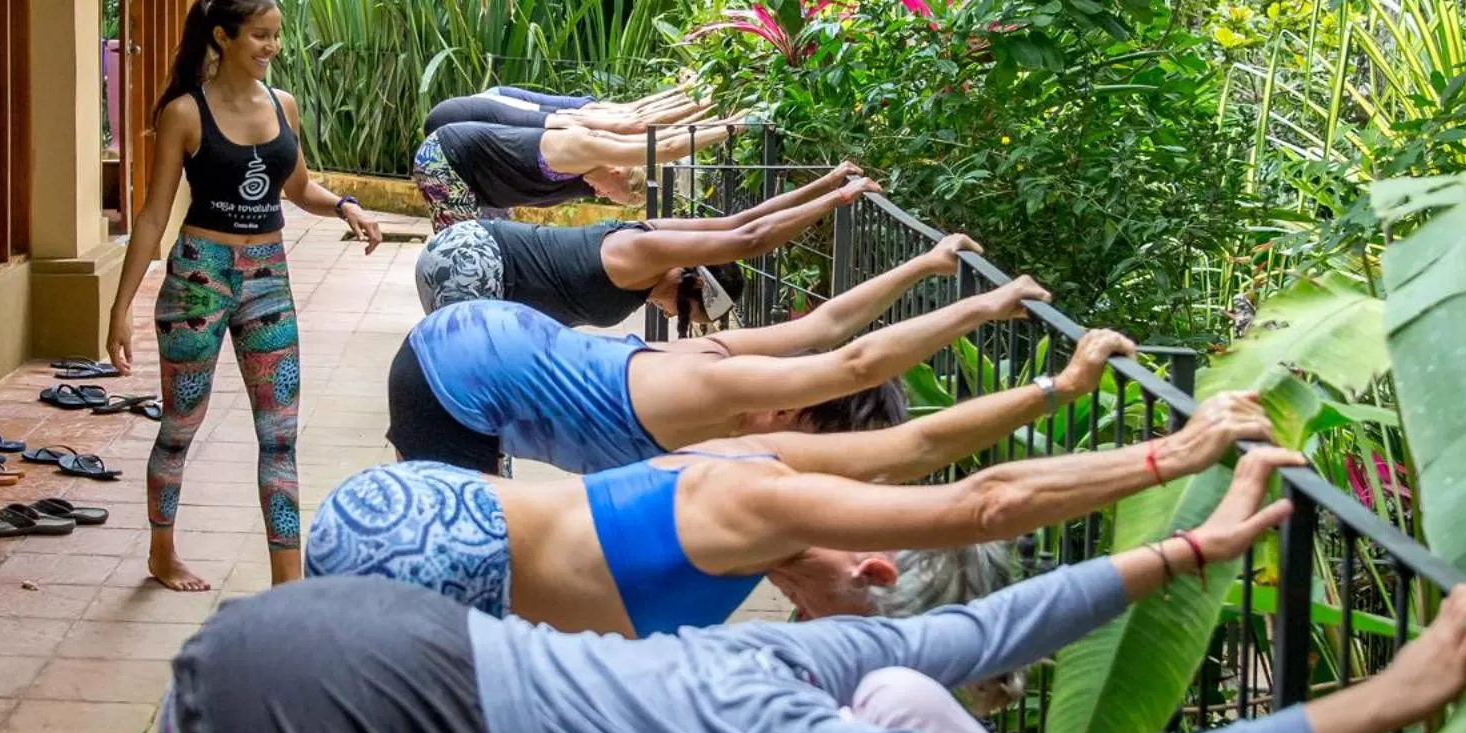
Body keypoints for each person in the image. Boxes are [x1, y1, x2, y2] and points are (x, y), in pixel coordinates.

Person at [160, 448, 1466, 733]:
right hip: (275, 727)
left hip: (372, 647)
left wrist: (1185, 551)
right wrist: (1379, 700)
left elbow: (986, 629)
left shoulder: (800, 665)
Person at [316, 332, 1282, 641]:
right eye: (852, 612)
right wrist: (1179, 454)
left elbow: (924, 444)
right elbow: (981, 502)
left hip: (408, 502)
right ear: (867, 566)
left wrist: (1052, 388)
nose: (812, 620)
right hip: (434, 554)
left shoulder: (760, 474)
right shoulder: (762, 501)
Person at [105, 0, 383, 594]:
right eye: (260, 35)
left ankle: (289, 584)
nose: (272, 46)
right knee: (179, 426)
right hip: (199, 279)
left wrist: (345, 205)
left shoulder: (283, 105)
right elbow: (153, 216)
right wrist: (121, 308)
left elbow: (298, 187)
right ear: (223, 38)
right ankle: (162, 553)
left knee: (279, 435)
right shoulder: (184, 112)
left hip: (268, 278)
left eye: (276, 35)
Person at [387, 232, 1032, 476]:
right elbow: (853, 362)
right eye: (803, 425)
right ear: (798, 406)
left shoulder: (724, 359)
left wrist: (924, 264)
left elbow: (831, 320)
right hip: (451, 376)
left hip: (485, 337)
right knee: (460, 573)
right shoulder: (721, 393)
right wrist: (982, 306)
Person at [414, 163, 880, 327]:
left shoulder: (648, 243)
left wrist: (828, 180)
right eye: (683, 312)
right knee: (480, 401)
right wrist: (838, 199)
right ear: (689, 283)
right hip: (474, 261)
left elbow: (741, 219)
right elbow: (750, 238)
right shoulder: (643, 256)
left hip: (467, 250)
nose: (668, 315)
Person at [411, 117, 737, 233]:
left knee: (498, 245)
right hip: (446, 156)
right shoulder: (581, 148)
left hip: (478, 179)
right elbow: (664, 147)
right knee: (467, 248)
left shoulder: (589, 172)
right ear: (618, 170)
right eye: (611, 192)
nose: (599, 193)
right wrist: (729, 126)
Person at [421, 88, 708, 137]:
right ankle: (701, 97)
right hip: (473, 112)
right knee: (625, 120)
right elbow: (633, 122)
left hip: (487, 106)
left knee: (624, 118)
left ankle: (700, 96)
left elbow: (632, 120)